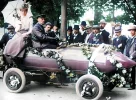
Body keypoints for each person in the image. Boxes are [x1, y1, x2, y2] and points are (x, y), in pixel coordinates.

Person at [124, 25, 136, 90]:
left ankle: (133, 85)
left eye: (133, 30)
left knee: (133, 71)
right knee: (129, 71)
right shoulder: (129, 39)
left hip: (134, 58)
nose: (131, 32)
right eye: (130, 30)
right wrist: (125, 56)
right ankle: (130, 83)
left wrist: (132, 56)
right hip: (128, 58)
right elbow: (126, 48)